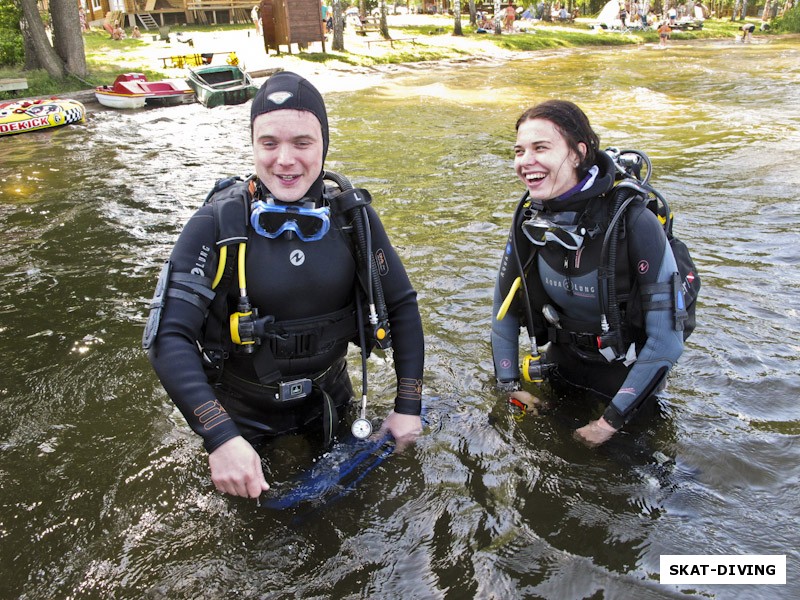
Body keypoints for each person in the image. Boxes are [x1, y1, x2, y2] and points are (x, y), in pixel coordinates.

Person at [146, 72, 425, 499]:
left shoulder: (354, 221)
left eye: (302, 143)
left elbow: (402, 307)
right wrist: (219, 437)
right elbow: (168, 336)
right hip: (241, 417)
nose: (285, 159)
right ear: (253, 145)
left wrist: (408, 407)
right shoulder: (217, 224)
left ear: (324, 143)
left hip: (330, 402)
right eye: (269, 143)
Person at [490, 100, 684, 447]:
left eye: (540, 148)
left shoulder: (632, 221)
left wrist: (608, 424)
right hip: (561, 367)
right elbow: (502, 313)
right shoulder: (529, 220)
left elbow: (666, 341)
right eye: (519, 151)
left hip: (626, 379)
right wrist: (509, 388)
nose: (525, 161)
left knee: (637, 483)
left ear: (578, 153)